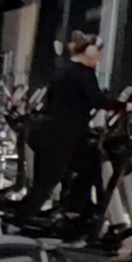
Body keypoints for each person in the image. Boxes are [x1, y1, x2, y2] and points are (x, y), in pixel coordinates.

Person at [20, 33, 107, 222]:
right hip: (63, 135)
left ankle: (76, 211)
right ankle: (18, 221)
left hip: (58, 131)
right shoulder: (84, 73)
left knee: (90, 166)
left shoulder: (64, 70)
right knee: (46, 184)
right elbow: (96, 100)